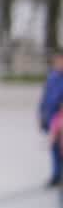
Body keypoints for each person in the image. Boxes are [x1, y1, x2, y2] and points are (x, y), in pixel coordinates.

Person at [38, 51, 63, 188]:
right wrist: (41, 115)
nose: (59, 64)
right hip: (52, 119)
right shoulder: (52, 77)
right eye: (57, 61)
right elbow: (44, 97)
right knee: (54, 147)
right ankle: (56, 174)